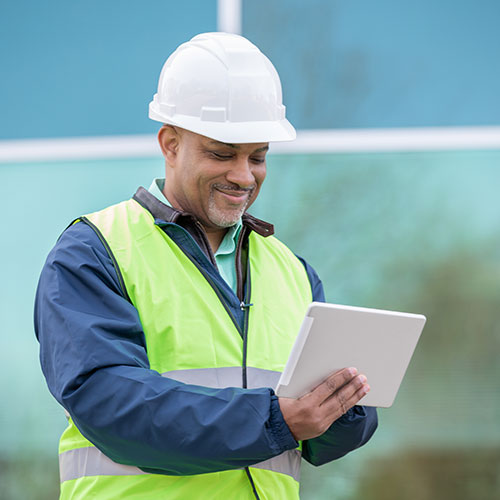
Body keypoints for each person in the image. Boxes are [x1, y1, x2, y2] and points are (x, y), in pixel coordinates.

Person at [35, 32, 377, 500]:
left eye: (257, 157)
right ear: (170, 144)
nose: (243, 176)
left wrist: (345, 407)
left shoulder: (293, 271)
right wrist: (277, 420)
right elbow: (109, 403)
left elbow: (321, 440)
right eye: (222, 154)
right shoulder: (93, 252)